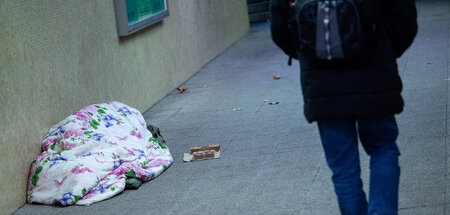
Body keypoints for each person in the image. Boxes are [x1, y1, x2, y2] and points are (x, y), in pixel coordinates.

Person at [270, 0, 417, 214]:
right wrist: (383, 48)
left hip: (322, 81)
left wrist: (310, 50)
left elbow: (279, 25)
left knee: (343, 168)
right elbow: (404, 17)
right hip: (373, 74)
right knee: (383, 149)